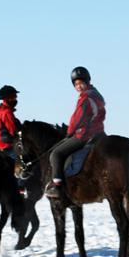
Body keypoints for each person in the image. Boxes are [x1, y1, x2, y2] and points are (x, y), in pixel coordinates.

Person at [45, 67, 106, 198]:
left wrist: (70, 131)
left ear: (87, 81)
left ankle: (57, 187)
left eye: (81, 83)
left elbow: (77, 118)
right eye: (76, 84)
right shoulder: (96, 95)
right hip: (99, 132)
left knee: (56, 153)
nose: (78, 86)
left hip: (85, 135)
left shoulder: (86, 98)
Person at [0, 85, 21, 160]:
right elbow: (12, 131)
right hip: (8, 146)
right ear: (7, 98)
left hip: (1, 144)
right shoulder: (7, 112)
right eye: (14, 97)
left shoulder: (0, 109)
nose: (15, 99)